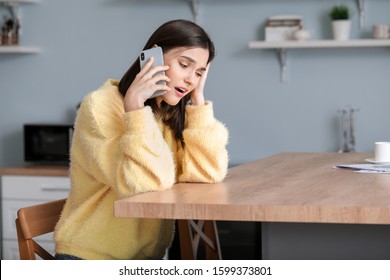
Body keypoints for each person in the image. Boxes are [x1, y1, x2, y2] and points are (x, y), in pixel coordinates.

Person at [54, 19, 229, 260]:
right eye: (184, 65)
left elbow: (208, 172)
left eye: (199, 72)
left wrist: (198, 100)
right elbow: (142, 184)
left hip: (143, 259)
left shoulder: (167, 114)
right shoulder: (101, 106)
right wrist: (135, 109)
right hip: (91, 257)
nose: (190, 79)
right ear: (152, 57)